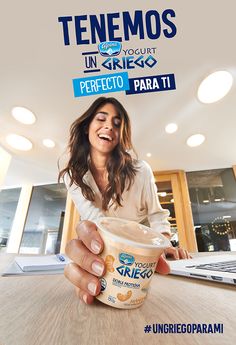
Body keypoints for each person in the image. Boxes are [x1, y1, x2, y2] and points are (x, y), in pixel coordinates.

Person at [59, 96, 191, 305]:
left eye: (117, 123)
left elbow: (156, 214)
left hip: (143, 249)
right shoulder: (72, 177)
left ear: (121, 135)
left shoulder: (141, 171)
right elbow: (94, 218)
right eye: (101, 119)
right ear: (87, 127)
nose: (109, 126)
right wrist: (100, 252)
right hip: (108, 250)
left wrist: (162, 244)